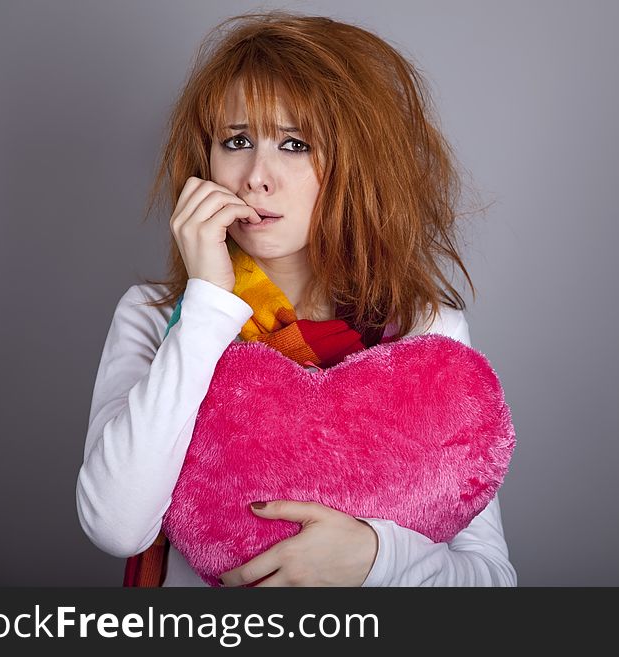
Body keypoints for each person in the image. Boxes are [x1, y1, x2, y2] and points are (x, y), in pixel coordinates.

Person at [76, 11, 517, 587]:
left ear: (357, 167)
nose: (256, 176)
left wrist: (372, 558)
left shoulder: (424, 332)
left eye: (295, 143)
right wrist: (208, 304)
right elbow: (116, 525)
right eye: (237, 141)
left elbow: (489, 578)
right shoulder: (157, 316)